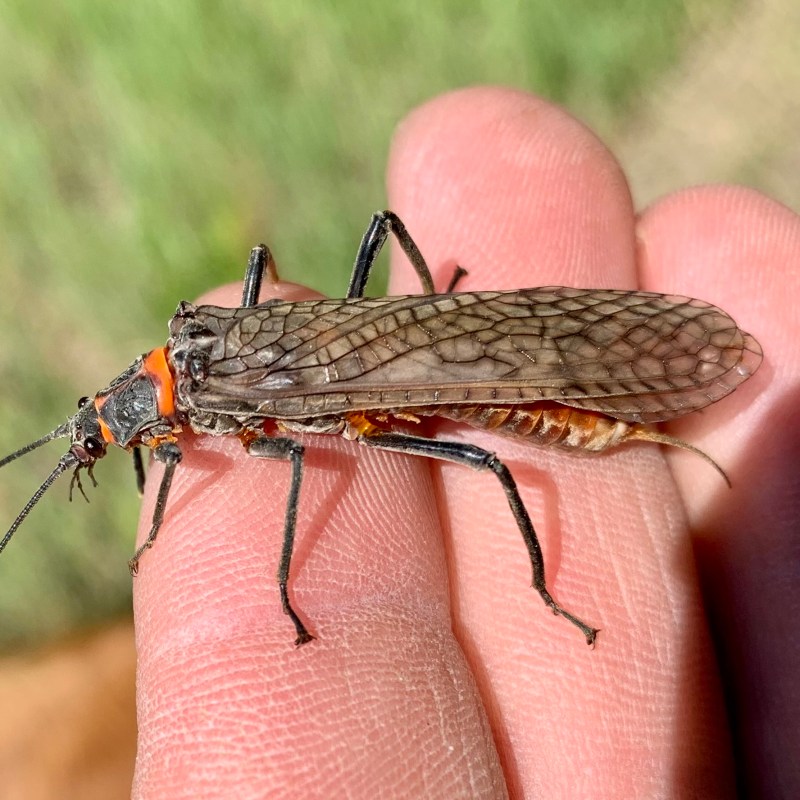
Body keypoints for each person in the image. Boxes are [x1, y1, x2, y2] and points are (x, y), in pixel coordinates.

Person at [130, 87, 799, 798]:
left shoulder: (202, 405)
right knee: (391, 244)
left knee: (490, 463)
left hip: (387, 386)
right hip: (390, 357)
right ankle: (446, 312)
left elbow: (277, 453)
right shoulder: (191, 366)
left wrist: (281, 589)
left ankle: (545, 590)